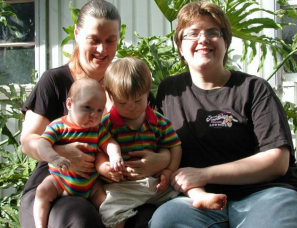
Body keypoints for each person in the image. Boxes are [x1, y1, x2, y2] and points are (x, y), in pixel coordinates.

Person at [149, 1, 297, 228]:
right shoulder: (169, 91)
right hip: (201, 202)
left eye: (213, 33)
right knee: (166, 220)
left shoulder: (253, 88)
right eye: (192, 34)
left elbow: (277, 161)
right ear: (180, 48)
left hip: (265, 195)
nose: (203, 39)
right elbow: (154, 140)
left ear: (226, 43)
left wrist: (205, 174)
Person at [19, 1, 170, 227]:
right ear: (78, 35)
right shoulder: (55, 81)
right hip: (58, 183)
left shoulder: (126, 82)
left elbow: (160, 132)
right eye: (94, 40)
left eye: (110, 41)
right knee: (79, 218)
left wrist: (162, 160)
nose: (102, 49)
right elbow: (27, 141)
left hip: (118, 190)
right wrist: (62, 152)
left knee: (148, 220)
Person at [97, 57, 227, 228]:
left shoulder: (159, 121)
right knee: (110, 213)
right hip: (124, 188)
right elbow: (98, 151)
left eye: (138, 101)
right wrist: (105, 168)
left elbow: (175, 146)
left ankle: (200, 197)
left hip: (157, 184)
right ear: (111, 96)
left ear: (147, 92)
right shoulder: (106, 124)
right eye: (122, 102)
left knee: (182, 181)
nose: (131, 107)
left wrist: (168, 170)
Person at [34, 78, 124, 228]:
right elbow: (42, 144)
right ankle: (39, 226)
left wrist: (115, 156)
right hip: (61, 181)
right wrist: (55, 158)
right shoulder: (58, 126)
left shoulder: (98, 129)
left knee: (114, 209)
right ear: (70, 104)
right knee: (42, 192)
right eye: (87, 107)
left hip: (91, 185)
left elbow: (110, 143)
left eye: (99, 110)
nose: (94, 115)